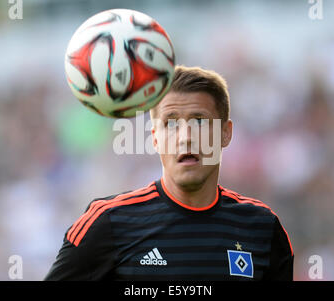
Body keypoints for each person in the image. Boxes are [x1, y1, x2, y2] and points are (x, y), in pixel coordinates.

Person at [44, 65, 294, 281]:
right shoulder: (107, 222)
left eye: (199, 121)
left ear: (225, 133)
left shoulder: (263, 228)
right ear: (154, 138)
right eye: (171, 123)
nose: (185, 137)